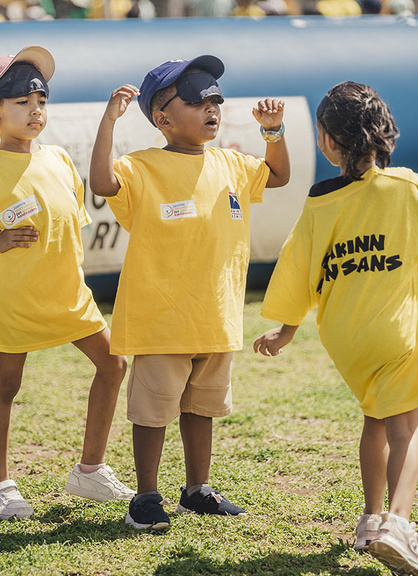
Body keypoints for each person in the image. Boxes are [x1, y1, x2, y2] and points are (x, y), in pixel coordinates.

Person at [253, 81, 418, 576]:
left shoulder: (319, 201)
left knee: (375, 418)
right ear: (383, 133)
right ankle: (399, 525)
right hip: (396, 330)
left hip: (346, 337)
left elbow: (297, 266)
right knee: (406, 425)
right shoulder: (405, 185)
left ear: (326, 141)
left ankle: (370, 520)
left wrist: (285, 331)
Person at [0, 46, 134, 520]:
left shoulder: (58, 157)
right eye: (22, 102)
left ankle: (90, 470)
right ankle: (0, 486)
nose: (35, 111)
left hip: (69, 295)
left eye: (42, 102)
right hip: (15, 296)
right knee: (7, 384)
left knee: (115, 363)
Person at [90, 56, 291, 530]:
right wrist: (108, 121)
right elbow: (101, 183)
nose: (211, 107)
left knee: (201, 408)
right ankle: (146, 498)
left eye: (216, 98)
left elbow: (277, 176)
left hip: (216, 318)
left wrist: (273, 132)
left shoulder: (233, 164)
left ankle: (197, 490)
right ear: (162, 118)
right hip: (161, 319)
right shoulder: (141, 167)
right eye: (198, 99)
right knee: (154, 412)